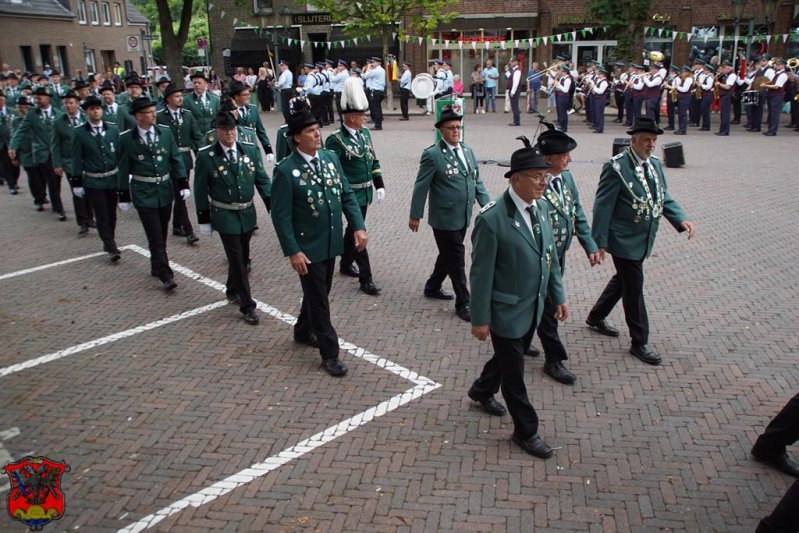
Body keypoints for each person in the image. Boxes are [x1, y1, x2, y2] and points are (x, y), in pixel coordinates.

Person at [466, 137, 568, 459]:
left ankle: (481, 389)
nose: (543, 182)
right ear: (516, 179)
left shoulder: (541, 208)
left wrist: (558, 296)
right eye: (536, 176)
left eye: (545, 176)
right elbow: (480, 275)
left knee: (508, 358)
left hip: (533, 307)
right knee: (515, 376)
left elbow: (549, 257)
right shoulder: (492, 219)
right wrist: (480, 319)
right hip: (506, 313)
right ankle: (526, 431)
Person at [270, 98, 368, 377]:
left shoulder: (329, 158)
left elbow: (346, 194)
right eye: (310, 131)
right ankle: (330, 353)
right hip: (307, 247)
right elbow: (281, 216)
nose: (317, 134)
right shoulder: (286, 171)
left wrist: (358, 226)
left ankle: (303, 329)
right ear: (297, 137)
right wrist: (293, 251)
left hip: (330, 242)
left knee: (319, 293)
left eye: (317, 129)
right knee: (320, 301)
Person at [587, 117, 695, 365]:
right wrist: (598, 242)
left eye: (653, 140)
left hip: (643, 238)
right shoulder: (616, 168)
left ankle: (596, 315)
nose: (651, 145)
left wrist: (680, 219)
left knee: (623, 280)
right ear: (633, 141)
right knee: (634, 289)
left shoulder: (654, 164)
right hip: (623, 239)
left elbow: (662, 196)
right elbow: (602, 207)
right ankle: (639, 342)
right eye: (646, 140)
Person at [525, 128, 600, 384]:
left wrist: (589, 244)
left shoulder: (566, 179)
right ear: (548, 159)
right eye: (564, 155)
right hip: (538, 258)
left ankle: (521, 341)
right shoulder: (535, 184)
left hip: (559, 255)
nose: (569, 159)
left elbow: (577, 211)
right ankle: (554, 360)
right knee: (549, 307)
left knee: (535, 303)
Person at [409, 106, 490, 322]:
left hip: (463, 215)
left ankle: (432, 286)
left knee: (448, 254)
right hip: (444, 218)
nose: (456, 131)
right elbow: (421, 186)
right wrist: (415, 214)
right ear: (441, 131)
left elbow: (476, 181)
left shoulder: (467, 151)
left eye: (458, 127)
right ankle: (464, 302)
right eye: (451, 128)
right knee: (456, 258)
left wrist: (488, 206)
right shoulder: (433, 155)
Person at [194, 111, 271, 325]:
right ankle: (247, 305)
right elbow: (200, 189)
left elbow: (262, 179)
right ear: (217, 131)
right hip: (225, 215)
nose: (229, 134)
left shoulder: (249, 150)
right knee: (237, 259)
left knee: (243, 256)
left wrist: (272, 204)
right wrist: (204, 218)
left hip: (247, 214)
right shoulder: (206, 156)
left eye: (232, 129)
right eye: (224, 130)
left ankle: (231, 288)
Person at [117, 96, 189, 291]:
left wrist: (182, 183)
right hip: (143, 193)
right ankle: (166, 275)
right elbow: (123, 168)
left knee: (161, 233)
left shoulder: (164, 133)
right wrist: (123, 195)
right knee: (155, 235)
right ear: (138, 116)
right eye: (148, 112)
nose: (153, 115)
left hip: (164, 191)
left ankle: (156, 265)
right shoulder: (127, 139)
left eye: (153, 111)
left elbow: (175, 159)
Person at [325, 77, 385, 296]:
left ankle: (345, 262)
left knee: (352, 229)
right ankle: (366, 278)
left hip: (364, 192)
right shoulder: (335, 140)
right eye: (361, 115)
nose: (365, 118)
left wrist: (379, 184)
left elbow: (372, 159)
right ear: (350, 117)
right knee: (360, 232)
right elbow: (332, 170)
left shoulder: (364, 133)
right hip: (349, 194)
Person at [72, 95, 122, 262]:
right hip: (94, 181)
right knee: (101, 215)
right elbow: (76, 158)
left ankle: (109, 239)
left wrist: (125, 175)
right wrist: (77, 182)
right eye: (92, 109)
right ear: (87, 112)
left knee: (112, 214)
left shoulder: (112, 130)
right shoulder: (80, 133)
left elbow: (119, 154)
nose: (95, 111)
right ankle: (111, 245)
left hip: (112, 179)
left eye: (98, 108)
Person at [9, 86, 65, 219]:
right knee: (51, 180)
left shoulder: (58, 114)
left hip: (57, 154)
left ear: (48, 98)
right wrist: (13, 146)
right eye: (36, 98)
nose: (37, 100)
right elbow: (20, 131)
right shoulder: (32, 114)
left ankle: (55, 202)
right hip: (42, 154)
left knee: (56, 181)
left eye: (40, 98)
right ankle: (58, 208)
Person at [157, 83, 202, 245]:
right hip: (168, 161)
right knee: (179, 194)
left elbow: (196, 136)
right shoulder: (160, 116)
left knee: (180, 194)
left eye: (181, 96)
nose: (180, 98)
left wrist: (201, 155)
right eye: (176, 96)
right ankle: (189, 231)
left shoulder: (187, 115)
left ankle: (177, 225)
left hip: (185, 160)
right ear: (168, 99)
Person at [51, 90, 95, 234]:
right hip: (70, 163)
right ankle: (82, 221)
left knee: (89, 191)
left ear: (77, 104)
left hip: (87, 162)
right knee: (77, 191)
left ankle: (90, 217)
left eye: (71, 103)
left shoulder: (86, 118)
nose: (68, 106)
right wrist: (57, 164)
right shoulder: (59, 122)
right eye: (66, 103)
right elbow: (55, 144)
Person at [228, 80, 275, 162]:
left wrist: (268, 150)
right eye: (245, 95)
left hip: (253, 148)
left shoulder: (253, 109)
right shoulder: (228, 111)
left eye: (248, 94)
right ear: (236, 96)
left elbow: (261, 131)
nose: (248, 97)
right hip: (237, 150)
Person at [182, 70, 220, 135]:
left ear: (206, 83)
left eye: (199, 83)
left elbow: (218, 117)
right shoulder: (186, 99)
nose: (196, 85)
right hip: (194, 136)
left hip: (212, 135)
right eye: (194, 83)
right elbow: (185, 120)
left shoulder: (214, 99)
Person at [762, 57, 789, 136]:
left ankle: (773, 130)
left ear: (782, 65)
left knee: (774, 114)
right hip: (773, 95)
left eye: (778, 65)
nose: (776, 66)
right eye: (776, 64)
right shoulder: (777, 73)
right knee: (771, 113)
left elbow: (777, 86)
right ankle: (770, 129)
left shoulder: (783, 74)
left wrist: (765, 85)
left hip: (777, 96)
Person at [0, 93, 20, 194]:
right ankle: (11, 185)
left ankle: (15, 181)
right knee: (6, 164)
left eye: (1, 99)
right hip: (1, 143)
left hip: (12, 141)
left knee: (15, 164)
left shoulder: (13, 111)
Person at [362, 56, 385, 130]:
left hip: (376, 91)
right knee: (377, 108)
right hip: (378, 91)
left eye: (373, 62)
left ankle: (378, 125)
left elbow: (365, 76)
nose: (372, 64)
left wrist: (368, 68)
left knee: (376, 109)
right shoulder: (380, 70)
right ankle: (378, 124)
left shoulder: (377, 70)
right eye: (372, 62)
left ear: (378, 63)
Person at [715, 61, 736, 136]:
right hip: (723, 95)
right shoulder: (726, 75)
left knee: (725, 114)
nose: (723, 69)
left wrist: (719, 84)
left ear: (728, 68)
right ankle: (722, 130)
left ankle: (725, 131)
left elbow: (727, 87)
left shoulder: (732, 75)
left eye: (724, 68)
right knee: (723, 114)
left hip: (727, 95)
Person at [674, 66, 694, 135]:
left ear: (687, 73)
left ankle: (683, 129)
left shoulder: (689, 79)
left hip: (685, 97)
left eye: (683, 72)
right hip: (682, 97)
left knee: (683, 114)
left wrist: (677, 87)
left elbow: (685, 89)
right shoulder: (684, 79)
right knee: (680, 113)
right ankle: (680, 128)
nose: (682, 73)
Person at [590, 66, 610, 133]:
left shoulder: (604, 82)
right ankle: (597, 126)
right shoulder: (600, 80)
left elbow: (600, 91)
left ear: (603, 74)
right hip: (597, 98)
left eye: (599, 74)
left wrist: (593, 86)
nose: (598, 75)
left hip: (601, 99)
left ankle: (600, 128)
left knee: (599, 114)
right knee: (596, 113)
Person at [554, 65, 572, 132]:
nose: (561, 72)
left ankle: (564, 127)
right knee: (560, 112)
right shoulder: (562, 78)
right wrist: (556, 85)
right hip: (560, 96)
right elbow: (560, 87)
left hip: (564, 97)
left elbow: (565, 90)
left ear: (565, 72)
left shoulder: (568, 79)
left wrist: (558, 85)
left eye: (562, 71)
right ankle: (561, 125)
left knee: (563, 112)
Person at [507, 56, 522, 127]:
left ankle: (516, 121)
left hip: (515, 90)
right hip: (513, 90)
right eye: (511, 61)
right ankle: (516, 120)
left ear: (516, 62)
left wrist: (512, 92)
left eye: (512, 61)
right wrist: (507, 71)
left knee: (515, 106)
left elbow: (516, 82)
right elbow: (509, 77)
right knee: (514, 106)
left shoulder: (517, 71)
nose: (511, 63)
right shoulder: (513, 70)